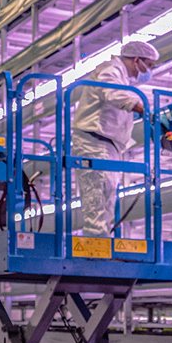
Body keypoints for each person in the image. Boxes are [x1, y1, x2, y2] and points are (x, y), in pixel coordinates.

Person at [69, 38, 159, 237]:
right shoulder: (110, 70)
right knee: (97, 197)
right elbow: (114, 94)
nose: (147, 72)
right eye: (148, 66)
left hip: (108, 145)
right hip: (93, 141)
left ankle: (102, 243)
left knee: (107, 196)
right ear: (137, 60)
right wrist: (141, 108)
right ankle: (96, 250)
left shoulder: (123, 78)